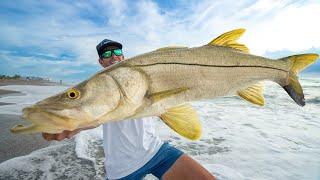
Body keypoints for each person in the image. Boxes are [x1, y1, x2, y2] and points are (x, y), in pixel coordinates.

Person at [43, 39, 216, 180]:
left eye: (118, 52)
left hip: (155, 150)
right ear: (100, 61)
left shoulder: (143, 76)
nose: (114, 57)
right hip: (122, 169)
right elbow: (90, 118)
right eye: (107, 54)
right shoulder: (97, 90)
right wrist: (70, 127)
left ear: (123, 56)